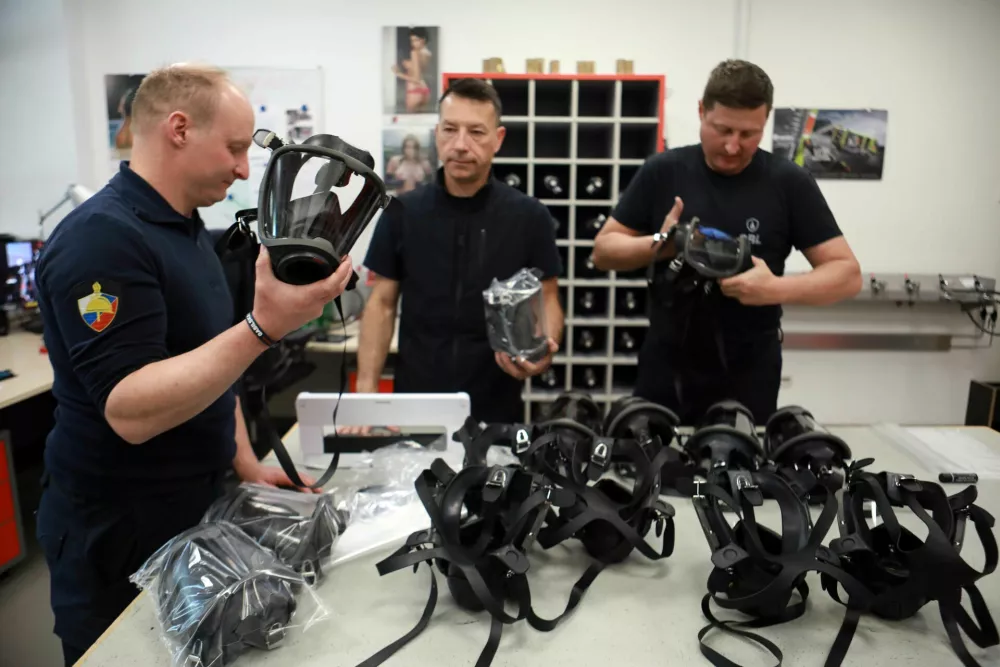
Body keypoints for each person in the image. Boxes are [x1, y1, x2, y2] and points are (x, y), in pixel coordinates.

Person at [34, 63, 352, 666]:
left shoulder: (188, 233)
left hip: (197, 508)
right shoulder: (101, 239)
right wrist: (263, 329)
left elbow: (212, 367)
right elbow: (130, 410)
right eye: (234, 148)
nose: (241, 168)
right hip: (118, 527)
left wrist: (247, 464)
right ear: (179, 128)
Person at [592, 59, 862, 425]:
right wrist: (664, 243)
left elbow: (847, 275)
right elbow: (604, 251)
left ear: (765, 123)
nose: (733, 146)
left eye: (749, 134)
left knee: (741, 475)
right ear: (702, 112)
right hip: (667, 364)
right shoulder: (663, 171)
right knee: (654, 472)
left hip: (748, 369)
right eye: (723, 130)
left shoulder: (788, 182)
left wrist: (775, 289)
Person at [352, 78, 564, 426]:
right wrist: (366, 393)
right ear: (436, 134)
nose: (461, 145)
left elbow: (549, 297)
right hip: (416, 402)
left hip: (496, 404)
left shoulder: (529, 217)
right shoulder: (401, 213)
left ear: (498, 139)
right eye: (450, 129)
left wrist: (543, 349)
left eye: (476, 132)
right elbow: (382, 304)